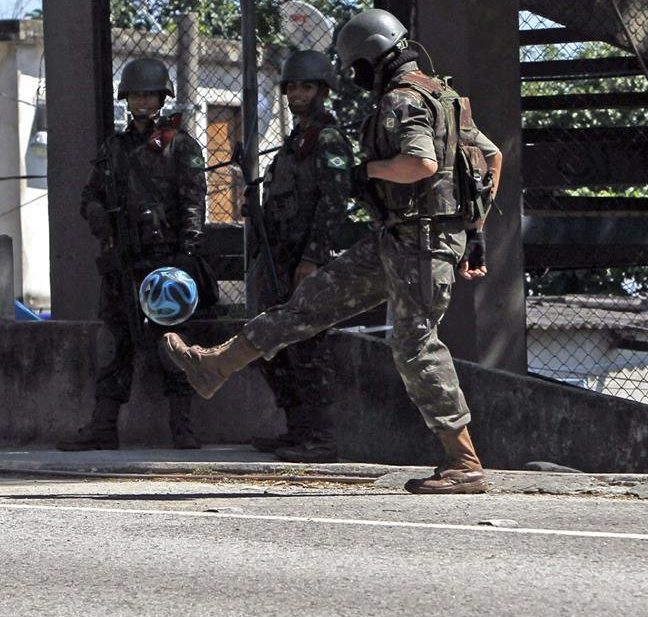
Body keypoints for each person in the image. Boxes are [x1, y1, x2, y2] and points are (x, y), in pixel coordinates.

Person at [163, 8, 503, 495]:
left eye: (358, 67)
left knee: (414, 344)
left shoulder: (403, 99)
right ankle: (213, 365)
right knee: (308, 305)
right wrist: (475, 230)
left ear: (375, 56)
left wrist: (371, 171)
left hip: (422, 244)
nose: (357, 77)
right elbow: (491, 156)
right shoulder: (441, 95)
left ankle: (463, 462)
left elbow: (421, 163)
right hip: (400, 239)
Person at [59, 57, 210, 451]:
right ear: (126, 98)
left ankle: (183, 427)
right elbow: (90, 195)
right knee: (115, 343)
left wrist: (185, 254)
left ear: (163, 97)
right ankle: (103, 427)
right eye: (137, 94)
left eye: (150, 94)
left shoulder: (180, 145)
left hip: (165, 263)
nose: (143, 101)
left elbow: (193, 201)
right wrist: (96, 214)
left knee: (173, 344)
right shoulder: (113, 148)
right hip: (123, 261)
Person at [248, 50, 352, 463]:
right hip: (280, 259)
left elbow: (335, 200)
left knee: (309, 348)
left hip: (307, 260)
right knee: (274, 346)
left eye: (306, 86)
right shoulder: (293, 144)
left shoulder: (327, 139)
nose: (297, 94)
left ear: (323, 91)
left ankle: (321, 439)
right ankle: (297, 431)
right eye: (292, 87)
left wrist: (312, 257)